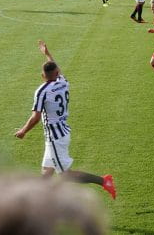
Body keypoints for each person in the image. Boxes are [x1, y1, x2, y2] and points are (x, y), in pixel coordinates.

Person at [14, 40, 117, 200]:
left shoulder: (42, 91)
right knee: (46, 172)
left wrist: (23, 131)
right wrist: (47, 54)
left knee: (65, 175)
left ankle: (104, 181)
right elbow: (55, 68)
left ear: (42, 76)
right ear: (56, 73)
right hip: (61, 132)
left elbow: (36, 117)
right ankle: (41, 203)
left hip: (55, 137)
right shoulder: (63, 82)